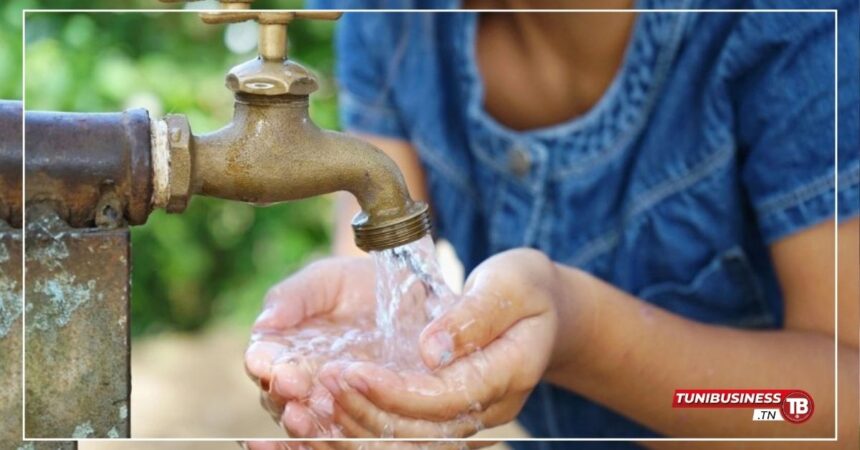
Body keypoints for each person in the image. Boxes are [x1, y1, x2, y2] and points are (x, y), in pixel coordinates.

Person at [245, 1, 859, 448]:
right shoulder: (389, 17)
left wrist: (581, 334)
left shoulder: (797, 29)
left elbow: (838, 409)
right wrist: (354, 374)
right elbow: (380, 253)